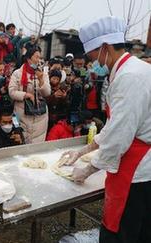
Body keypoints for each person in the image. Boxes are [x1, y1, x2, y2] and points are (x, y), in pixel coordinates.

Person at [60, 16, 151, 243]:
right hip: (137, 162)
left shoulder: (130, 77)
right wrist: (83, 151)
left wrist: (89, 168)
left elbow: (120, 136)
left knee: (122, 234)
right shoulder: (133, 68)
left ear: (104, 48)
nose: (92, 64)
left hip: (137, 172)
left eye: (92, 57)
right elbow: (113, 127)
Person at [9, 48, 51, 143]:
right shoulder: (17, 73)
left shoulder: (43, 74)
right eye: (36, 57)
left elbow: (47, 93)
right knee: (22, 142)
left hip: (40, 116)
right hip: (22, 112)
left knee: (37, 145)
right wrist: (26, 95)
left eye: (40, 58)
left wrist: (41, 80)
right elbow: (12, 92)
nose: (39, 60)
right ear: (28, 59)